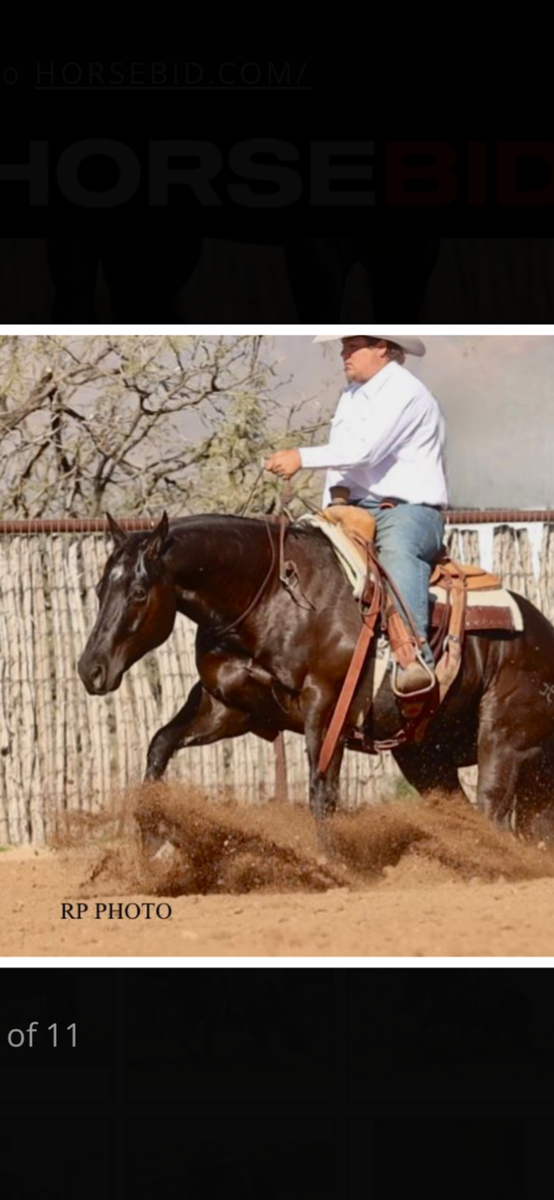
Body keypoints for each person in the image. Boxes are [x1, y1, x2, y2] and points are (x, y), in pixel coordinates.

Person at [264, 334, 448, 694]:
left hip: (410, 511)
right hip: (358, 507)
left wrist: (301, 457)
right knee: (304, 550)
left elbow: (363, 451)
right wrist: (335, 502)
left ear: (381, 347)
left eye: (353, 345)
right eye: (343, 345)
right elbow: (342, 458)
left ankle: (413, 657)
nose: (343, 353)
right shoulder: (351, 395)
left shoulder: (407, 392)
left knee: (397, 553)